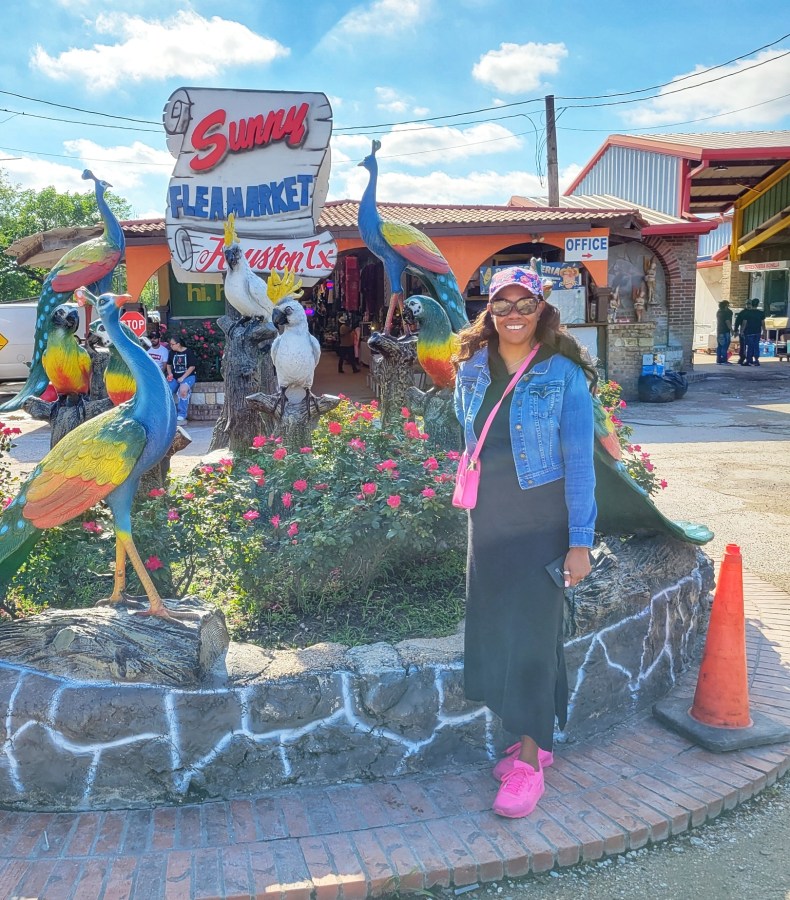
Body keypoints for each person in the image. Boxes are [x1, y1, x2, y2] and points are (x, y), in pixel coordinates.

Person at [452, 266, 596, 820]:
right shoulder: (471, 370)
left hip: (543, 525)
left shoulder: (563, 374)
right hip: (488, 522)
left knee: (534, 639)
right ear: (489, 311)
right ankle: (533, 737)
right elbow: (470, 441)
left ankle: (530, 764)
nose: (514, 314)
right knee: (497, 630)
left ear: (542, 309)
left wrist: (579, 541)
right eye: (502, 305)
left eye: (525, 304)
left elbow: (580, 464)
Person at [166, 336, 197, 422]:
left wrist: (183, 377)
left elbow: (192, 366)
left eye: (172, 344)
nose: (171, 346)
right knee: (167, 391)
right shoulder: (172, 353)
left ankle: (182, 414)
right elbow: (168, 365)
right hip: (175, 377)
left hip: (188, 376)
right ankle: (169, 414)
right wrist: (170, 374)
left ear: (178, 344)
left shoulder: (188, 352)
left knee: (183, 391)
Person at [734, 298, 766, 367]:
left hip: (749, 332)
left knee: (750, 347)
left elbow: (744, 323)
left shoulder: (747, 313)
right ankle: (756, 360)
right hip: (757, 332)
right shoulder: (761, 313)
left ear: (751, 304)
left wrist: (741, 331)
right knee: (756, 346)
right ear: (757, 304)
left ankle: (749, 360)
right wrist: (764, 332)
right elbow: (763, 323)